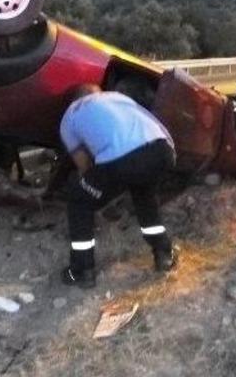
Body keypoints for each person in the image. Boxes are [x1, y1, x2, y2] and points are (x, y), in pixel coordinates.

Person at [59, 84, 177, 288]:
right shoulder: (117, 97)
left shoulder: (70, 116)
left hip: (121, 161)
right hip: (162, 151)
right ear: (98, 93)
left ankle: (82, 270)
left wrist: (97, 189)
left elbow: (84, 165)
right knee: (144, 194)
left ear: (74, 100)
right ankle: (164, 254)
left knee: (79, 200)